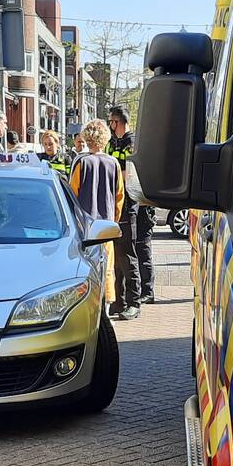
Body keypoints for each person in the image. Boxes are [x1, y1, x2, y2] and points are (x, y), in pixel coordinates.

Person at [69, 119, 124, 312]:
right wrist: (114, 220)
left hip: (85, 227)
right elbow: (119, 196)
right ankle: (107, 307)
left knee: (85, 268)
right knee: (107, 269)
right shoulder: (113, 163)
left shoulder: (82, 162)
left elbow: (73, 194)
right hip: (106, 225)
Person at [107, 105, 155, 312]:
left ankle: (134, 300)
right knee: (118, 255)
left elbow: (128, 173)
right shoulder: (112, 143)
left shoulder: (131, 142)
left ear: (118, 122)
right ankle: (119, 301)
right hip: (115, 203)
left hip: (129, 203)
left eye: (111, 121)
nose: (109, 124)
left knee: (129, 252)